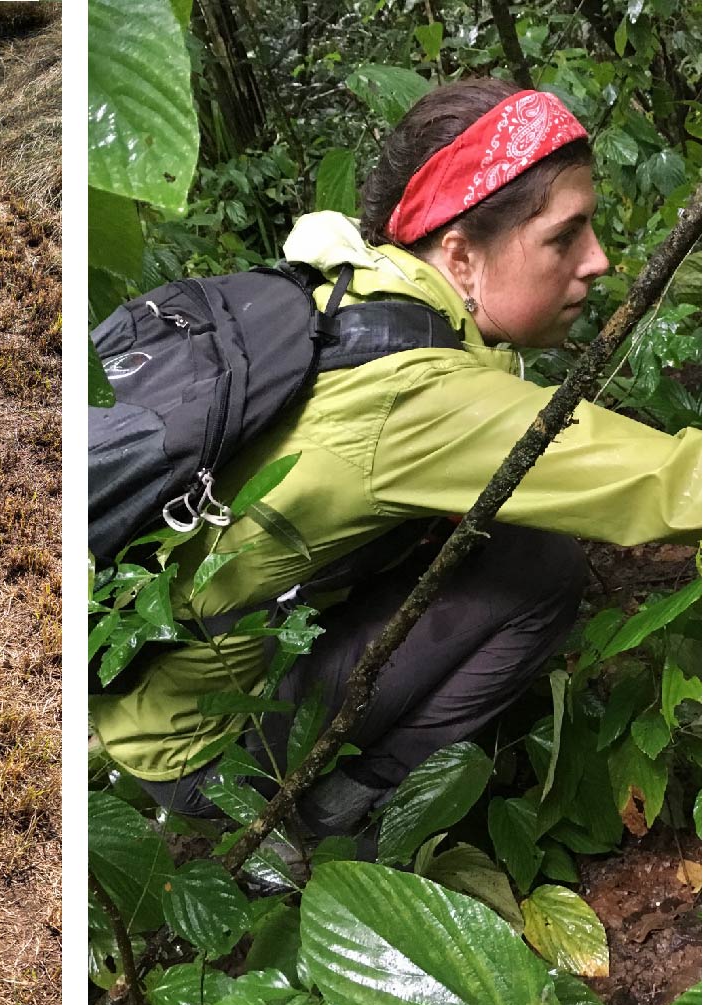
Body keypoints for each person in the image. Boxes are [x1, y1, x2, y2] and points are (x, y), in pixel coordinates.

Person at [89, 79, 700, 856]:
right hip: (198, 745)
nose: (598, 261)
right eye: (562, 237)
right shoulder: (418, 394)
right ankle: (329, 820)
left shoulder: (351, 279)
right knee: (539, 569)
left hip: (148, 688)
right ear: (460, 254)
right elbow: (672, 482)